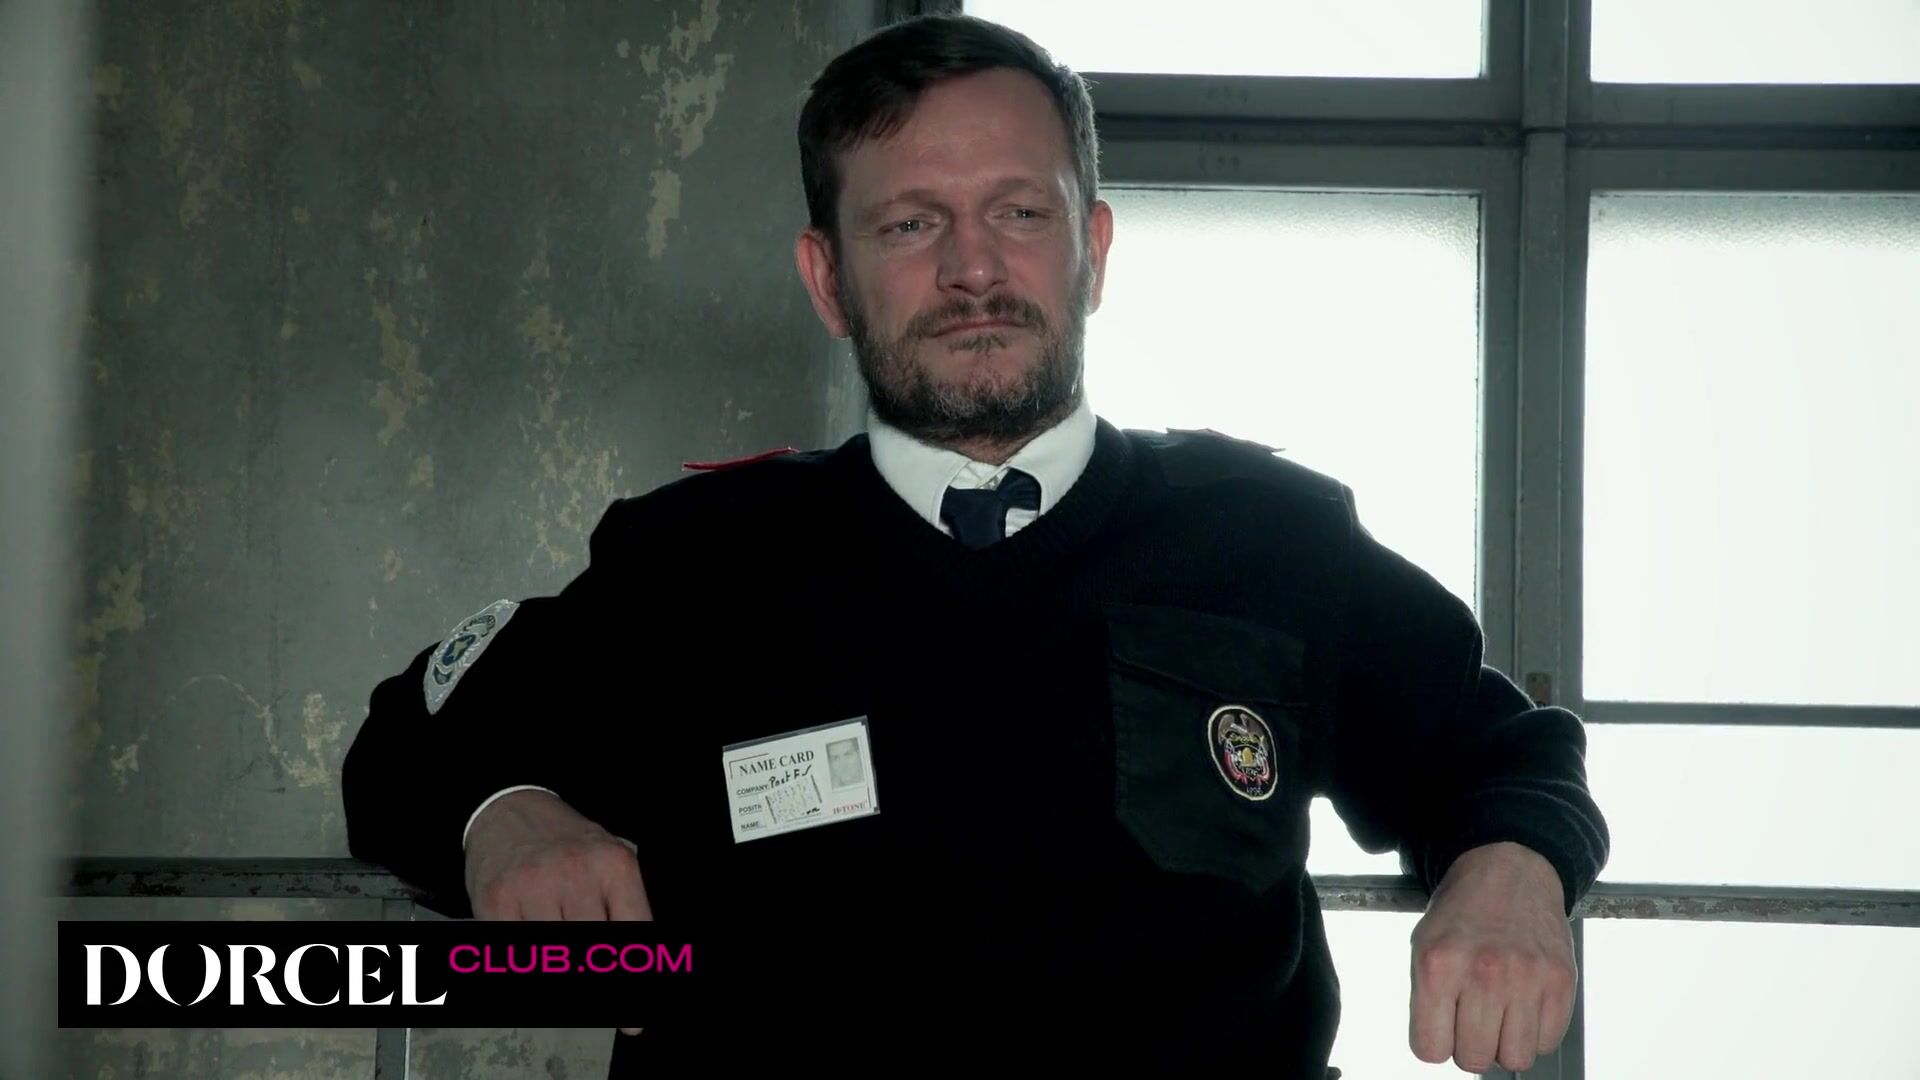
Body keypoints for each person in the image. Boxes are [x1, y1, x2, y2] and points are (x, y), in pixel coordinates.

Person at [341, 14, 1609, 1077]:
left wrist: (1510, 867)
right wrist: (506, 816)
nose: (972, 268)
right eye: (909, 225)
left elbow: (1499, 751)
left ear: (1091, 251)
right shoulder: (702, 562)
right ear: (827, 279)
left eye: (1018, 211)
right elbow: (412, 742)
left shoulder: (1269, 539)